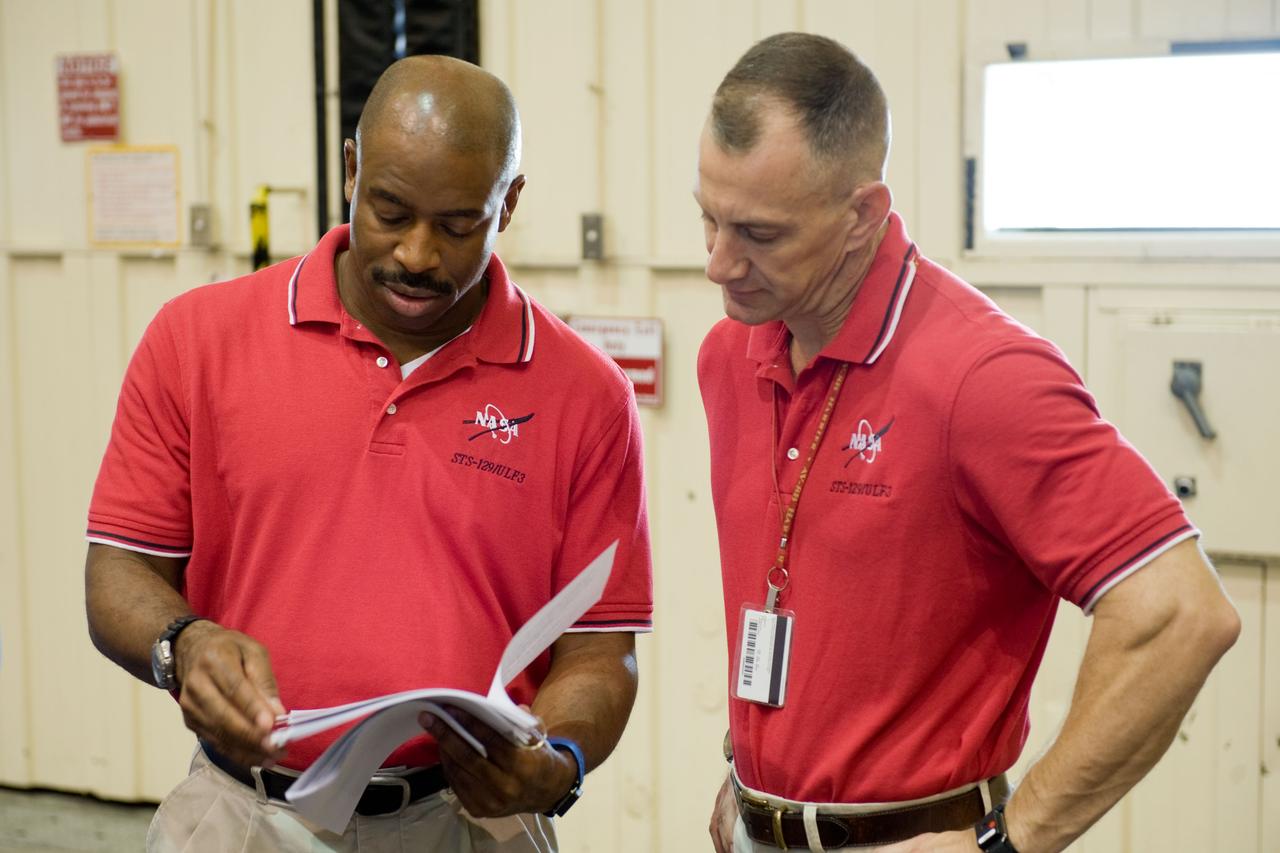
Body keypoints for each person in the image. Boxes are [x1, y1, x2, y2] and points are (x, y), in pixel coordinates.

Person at [84, 55, 652, 852]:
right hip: (244, 815)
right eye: (390, 210)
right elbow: (118, 573)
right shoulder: (198, 340)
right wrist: (183, 644)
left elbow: (600, 651)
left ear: (510, 202)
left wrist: (554, 762)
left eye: (458, 225)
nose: (417, 254)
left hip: (469, 823)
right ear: (350, 168)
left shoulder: (585, 395)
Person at [694, 33, 1240, 853]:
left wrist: (1010, 841)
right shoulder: (730, 355)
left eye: (759, 234)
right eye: (708, 218)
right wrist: (760, 777)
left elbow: (1180, 613)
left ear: (861, 216)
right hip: (755, 824)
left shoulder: (981, 377)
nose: (718, 263)